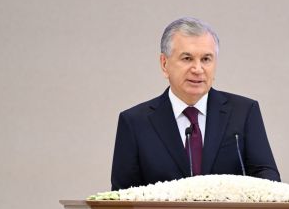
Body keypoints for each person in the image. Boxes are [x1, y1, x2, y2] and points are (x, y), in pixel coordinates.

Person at [111, 17, 280, 190]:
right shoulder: (135, 123)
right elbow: (121, 198)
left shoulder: (243, 113)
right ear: (164, 64)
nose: (198, 69)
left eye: (206, 59)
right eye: (187, 58)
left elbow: (268, 179)